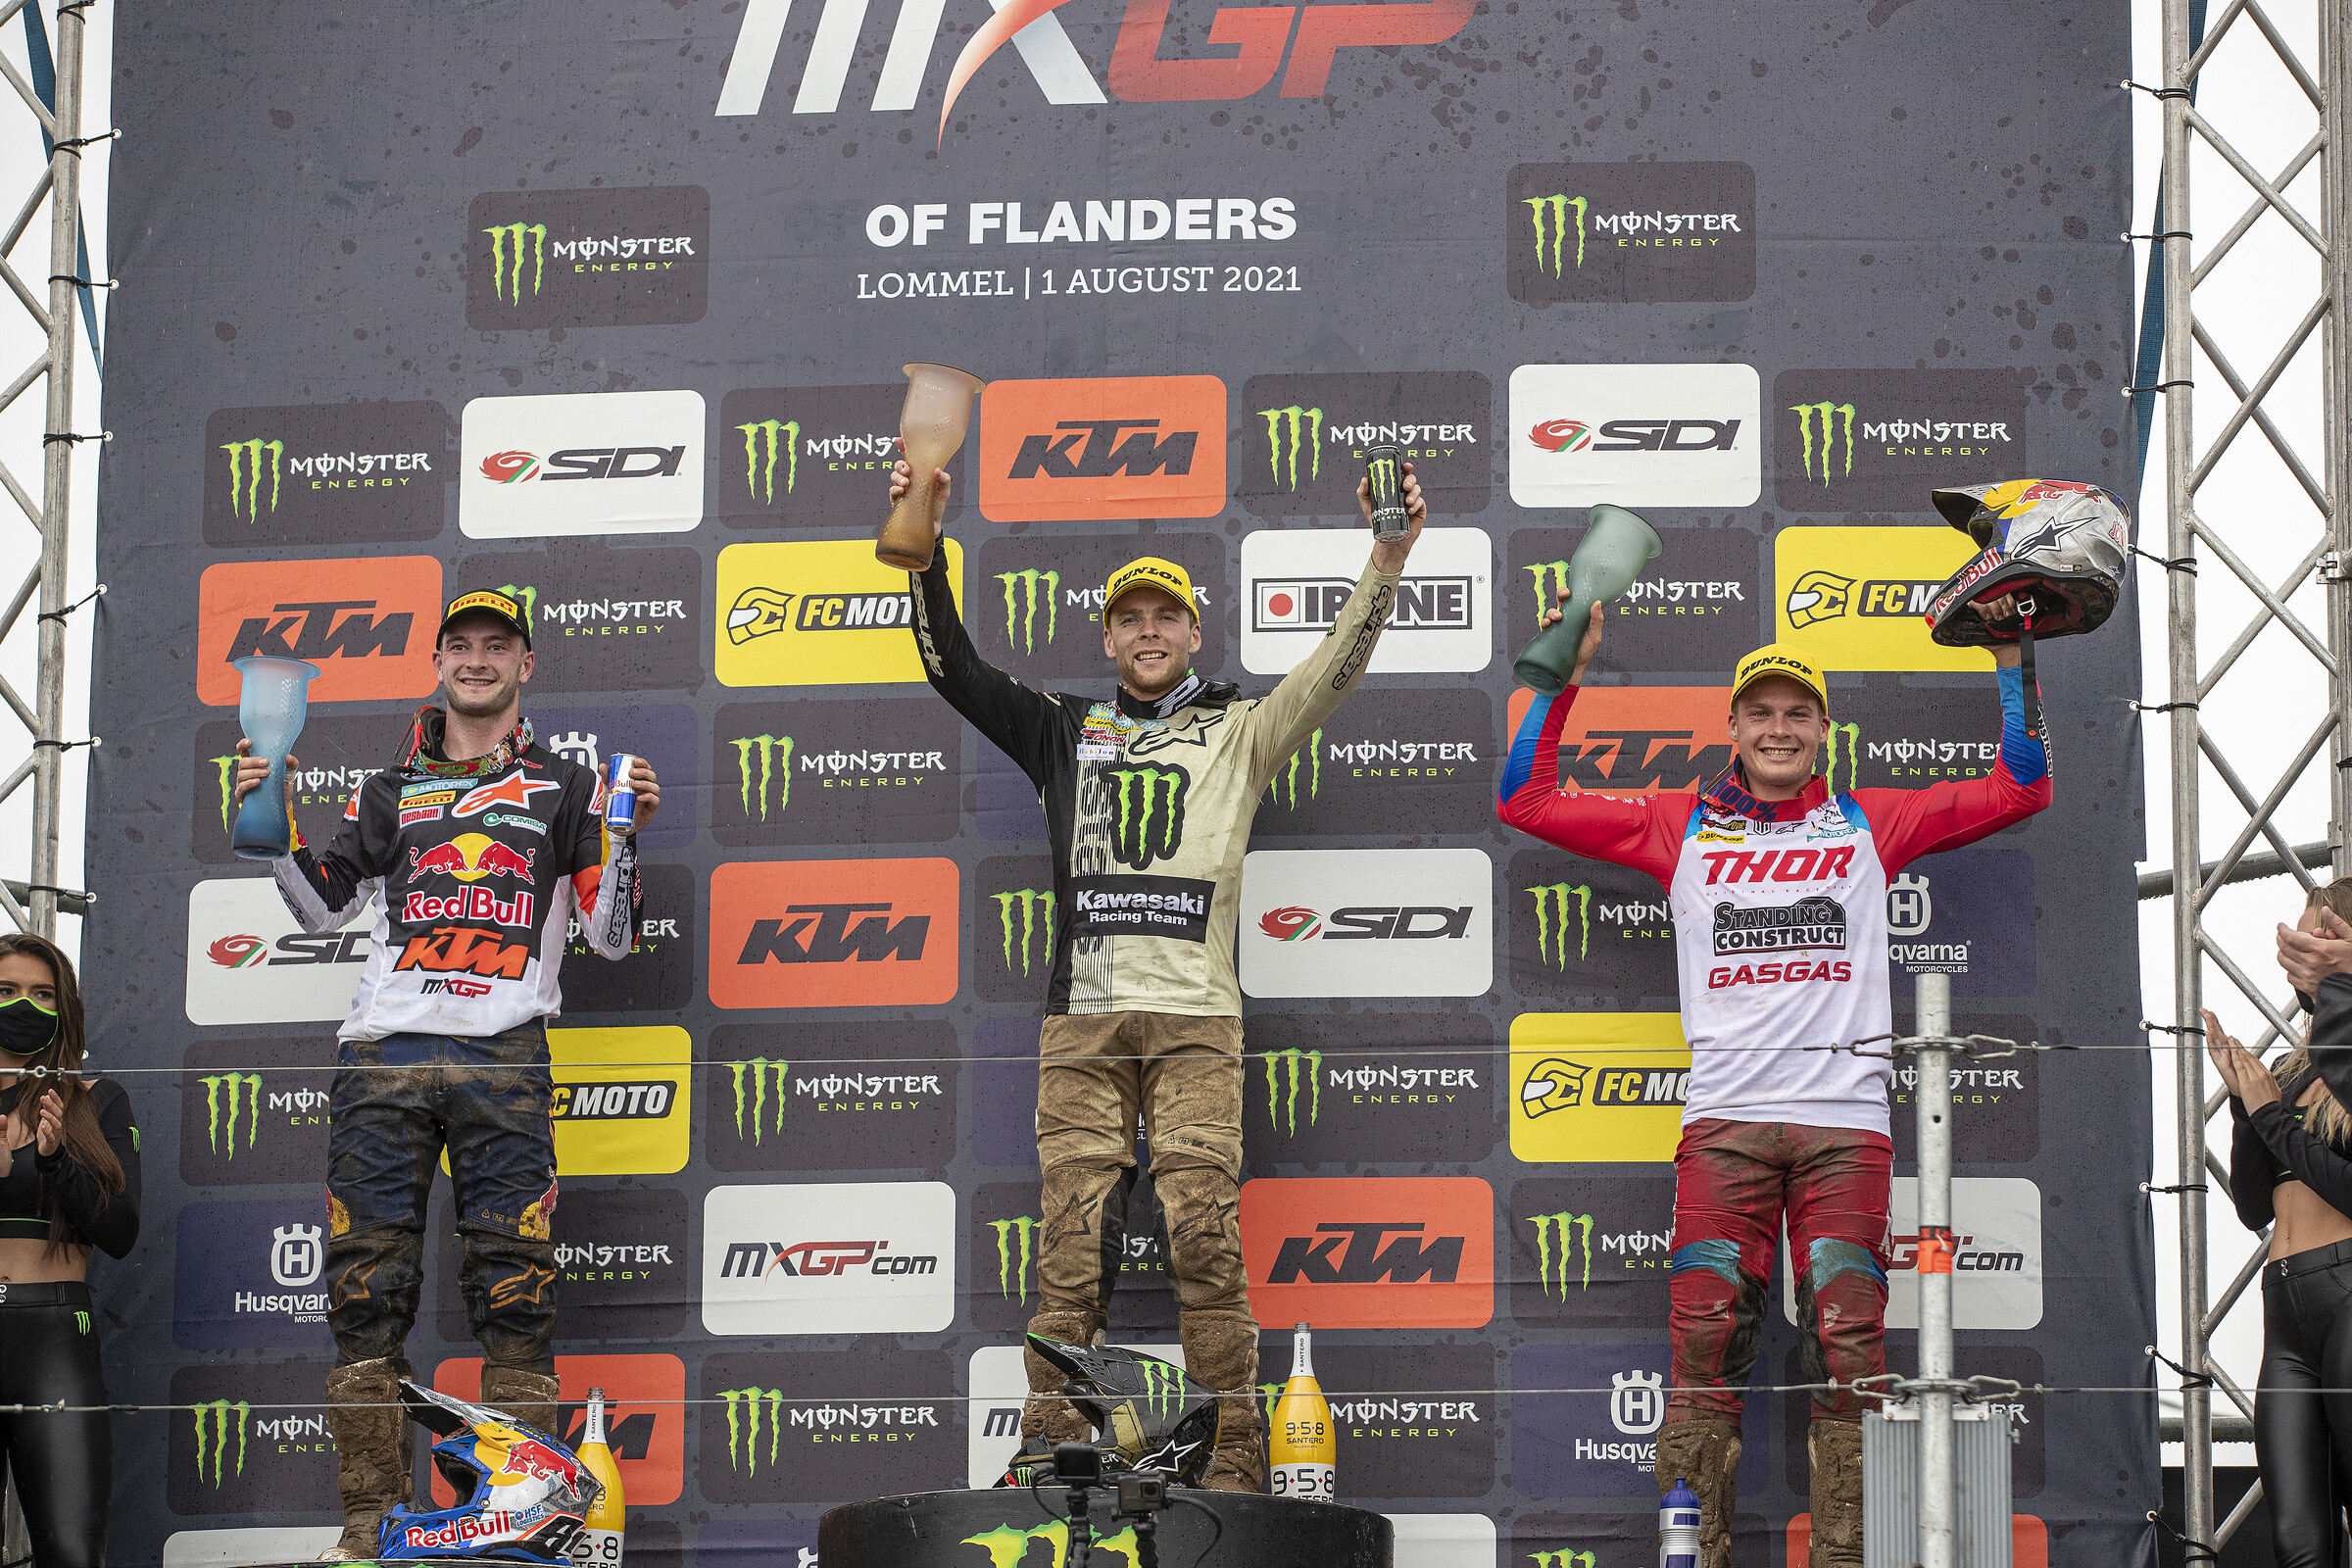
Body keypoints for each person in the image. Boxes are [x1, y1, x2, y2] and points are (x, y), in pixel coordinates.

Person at [887, 454, 1425, 1491]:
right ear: (1107, 636)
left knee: (1203, 1236)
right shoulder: (1059, 728)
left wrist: (1387, 557)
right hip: (1082, 1024)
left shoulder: (1239, 728)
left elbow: (1335, 670)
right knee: (1070, 1246)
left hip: (1196, 1022)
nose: (1146, 631)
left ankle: (1233, 1451)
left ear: (1193, 632)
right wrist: (922, 546)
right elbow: (952, 668)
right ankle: (1049, 1443)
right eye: (1128, 617)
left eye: (1163, 616)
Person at [1495, 594, 2048, 1567]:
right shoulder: (1683, 826)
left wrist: (2011, 662)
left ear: (1825, 731)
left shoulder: (1871, 820)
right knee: (1702, 1345)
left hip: (1845, 1130)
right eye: (1763, 712)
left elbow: (2021, 789)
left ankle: (1849, 1557)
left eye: (1799, 713)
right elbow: (1524, 801)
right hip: (1727, 1128)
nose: (1780, 728)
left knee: (1851, 1351)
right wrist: (1560, 676)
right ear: (1735, 728)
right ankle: (1690, 1555)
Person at [229, 588, 659, 1559]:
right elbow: (319, 909)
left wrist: (624, 840)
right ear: (437, 661)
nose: (477, 659)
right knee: (363, 1300)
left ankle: (526, 1527)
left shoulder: (568, 787)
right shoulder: (386, 789)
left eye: (495, 645)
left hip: (504, 1057)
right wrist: (267, 817)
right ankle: (364, 1534)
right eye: (459, 644)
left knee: (516, 1299)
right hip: (383, 1057)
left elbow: (614, 935)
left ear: (526, 664)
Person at [2213, 878, 2352, 1568]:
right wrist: (2247, 1106)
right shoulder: (2293, 1069)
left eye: (2315, 940)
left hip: (2349, 1291)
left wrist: (2271, 1116)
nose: (2297, 959)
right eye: (2294, 944)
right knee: (2298, 1539)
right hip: (2286, 1312)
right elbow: (2252, 1208)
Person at [0, 931, 138, 1568]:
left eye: (41, 994)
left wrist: (54, 1164)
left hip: (50, 1333)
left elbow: (121, 1231)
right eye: (6, 991)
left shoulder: (92, 1099)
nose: (23, 1005)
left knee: (72, 1553)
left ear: (66, 1007)